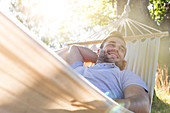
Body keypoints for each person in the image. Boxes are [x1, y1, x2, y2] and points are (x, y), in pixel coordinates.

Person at [56, 31, 150, 113]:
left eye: (121, 49)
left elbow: (143, 105)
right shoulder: (79, 68)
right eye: (111, 45)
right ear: (98, 51)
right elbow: (74, 48)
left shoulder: (124, 75)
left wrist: (103, 105)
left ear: (123, 59)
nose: (116, 49)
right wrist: (101, 57)